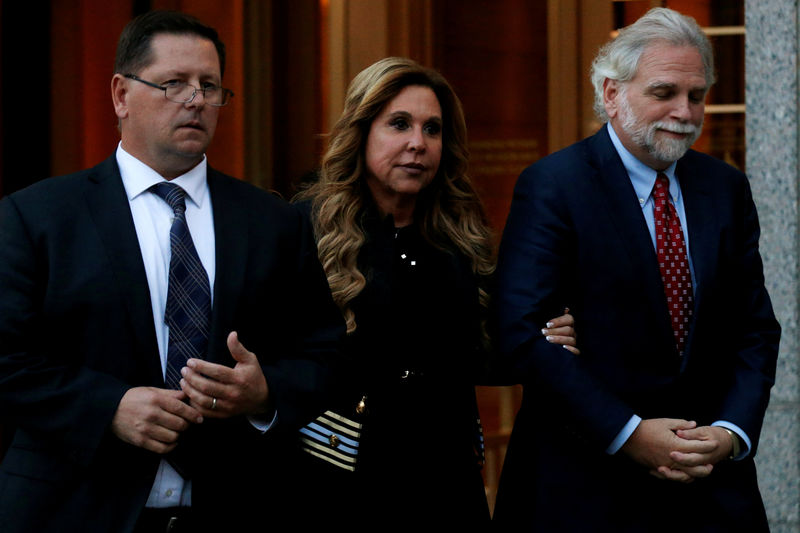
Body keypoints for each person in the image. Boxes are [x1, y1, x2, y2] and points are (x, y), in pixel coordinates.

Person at [0, 10, 343, 533]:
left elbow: (324, 355)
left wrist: (265, 391)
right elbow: (8, 356)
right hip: (76, 509)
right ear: (121, 95)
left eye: (210, 86)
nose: (196, 100)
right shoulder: (37, 216)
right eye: (174, 84)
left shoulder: (274, 222)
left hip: (237, 507)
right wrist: (107, 406)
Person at [492, 7, 780, 532]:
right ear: (611, 94)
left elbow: (755, 329)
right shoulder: (555, 186)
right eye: (664, 92)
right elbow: (521, 333)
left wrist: (731, 431)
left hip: (709, 492)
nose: (684, 111)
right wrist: (629, 433)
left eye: (697, 95)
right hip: (589, 489)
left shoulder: (725, 188)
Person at [289, 57, 577, 526]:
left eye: (433, 129)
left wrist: (543, 339)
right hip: (342, 483)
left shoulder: (459, 236)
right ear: (362, 132)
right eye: (399, 124)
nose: (418, 143)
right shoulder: (307, 229)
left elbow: (482, 354)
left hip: (446, 482)